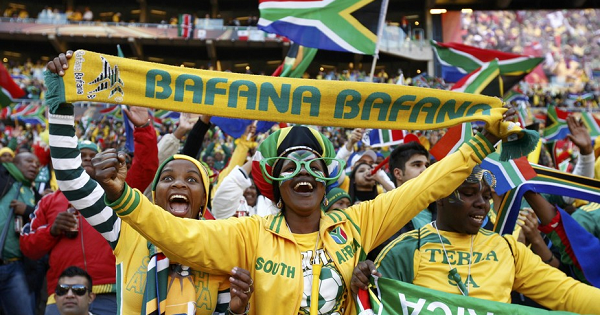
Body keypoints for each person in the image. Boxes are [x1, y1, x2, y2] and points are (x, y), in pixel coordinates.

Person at [93, 117, 508, 314]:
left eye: (313, 164)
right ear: (275, 183)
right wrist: (122, 196)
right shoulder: (248, 233)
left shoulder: (356, 223)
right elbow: (176, 234)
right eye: (291, 165)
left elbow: (426, 187)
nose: (303, 173)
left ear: (327, 180)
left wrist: (482, 142)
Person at [46, 51, 253, 315]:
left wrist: (237, 310)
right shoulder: (126, 229)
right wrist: (60, 101)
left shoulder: (220, 244)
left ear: (204, 198)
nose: (179, 184)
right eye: (167, 178)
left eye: (192, 179)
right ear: (154, 195)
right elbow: (72, 179)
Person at [351, 166, 600, 314]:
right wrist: (360, 278)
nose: (481, 202)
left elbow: (566, 294)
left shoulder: (508, 249)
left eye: (486, 195)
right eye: (468, 194)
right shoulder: (406, 249)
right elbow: (374, 305)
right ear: (439, 196)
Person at [20, 141, 118, 315]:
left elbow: (146, 168)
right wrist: (52, 230)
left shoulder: (116, 196)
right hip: (63, 294)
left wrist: (142, 128)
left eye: (92, 156)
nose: (87, 159)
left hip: (109, 293)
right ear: (70, 161)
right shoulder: (48, 201)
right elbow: (28, 247)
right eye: (81, 155)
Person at [0, 151, 42, 315]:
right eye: (29, 161)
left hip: (15, 266)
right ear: (15, 163)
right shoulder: (3, 177)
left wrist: (27, 210)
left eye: (37, 164)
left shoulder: (35, 195)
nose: (34, 166)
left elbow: (44, 221)